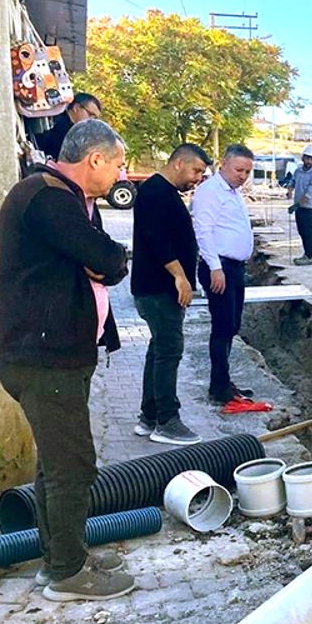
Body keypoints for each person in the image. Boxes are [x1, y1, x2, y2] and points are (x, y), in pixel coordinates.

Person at [0, 118, 135, 601]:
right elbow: (108, 258)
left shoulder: (67, 198)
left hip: (55, 353)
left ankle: (58, 558)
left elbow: (104, 261)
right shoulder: (49, 198)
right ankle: (69, 575)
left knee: (55, 464)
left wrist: (106, 260)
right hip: (44, 357)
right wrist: (108, 259)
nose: (121, 174)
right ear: (94, 159)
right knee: (73, 465)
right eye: (117, 164)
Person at [131, 143, 212, 445]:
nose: (198, 178)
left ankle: (148, 416)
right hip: (158, 289)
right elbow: (157, 240)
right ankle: (167, 420)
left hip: (159, 289)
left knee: (159, 349)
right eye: (196, 171)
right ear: (178, 163)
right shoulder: (155, 192)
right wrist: (180, 277)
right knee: (169, 350)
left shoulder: (165, 194)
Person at [192, 143, 257, 405]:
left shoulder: (232, 192)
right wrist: (215, 267)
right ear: (224, 164)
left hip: (234, 268)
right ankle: (218, 387)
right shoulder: (210, 191)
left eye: (247, 172)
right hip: (219, 268)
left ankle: (224, 380)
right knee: (222, 327)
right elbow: (203, 230)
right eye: (239, 169)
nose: (243, 176)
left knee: (232, 326)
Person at [35, 92, 102, 161]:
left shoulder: (75, 131)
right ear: (76, 108)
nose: (92, 120)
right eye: (90, 114)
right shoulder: (56, 123)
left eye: (95, 118)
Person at [287, 144, 312, 266]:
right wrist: (290, 190)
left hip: (308, 208)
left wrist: (296, 205)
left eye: (311, 159)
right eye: (306, 158)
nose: (308, 161)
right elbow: (292, 181)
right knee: (301, 231)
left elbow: (310, 194)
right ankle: (305, 254)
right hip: (299, 207)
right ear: (303, 158)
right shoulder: (298, 171)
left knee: (308, 232)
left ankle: (309, 256)